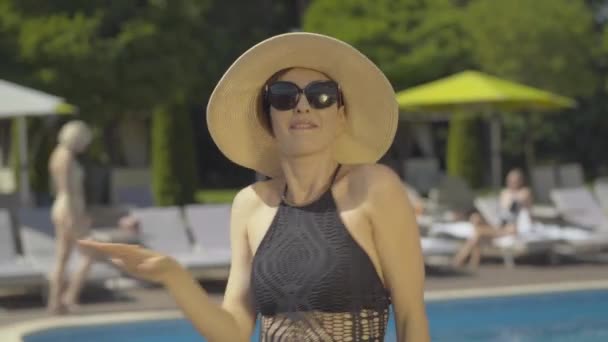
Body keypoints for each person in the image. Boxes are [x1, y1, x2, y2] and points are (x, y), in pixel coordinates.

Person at [80, 33, 429, 341]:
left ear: (340, 114)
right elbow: (233, 329)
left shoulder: (375, 188)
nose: (303, 105)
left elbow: (411, 318)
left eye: (321, 95)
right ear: (269, 118)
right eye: (283, 96)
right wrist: (173, 276)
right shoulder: (250, 205)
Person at [48, 120, 94, 314]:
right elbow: (67, 190)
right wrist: (75, 217)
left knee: (62, 258)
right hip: (69, 208)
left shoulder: (57, 154)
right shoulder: (66, 157)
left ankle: (55, 302)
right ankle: (69, 298)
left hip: (60, 207)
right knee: (90, 254)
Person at [451, 168, 532, 270]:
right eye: (509, 180)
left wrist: (511, 196)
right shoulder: (505, 193)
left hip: (512, 228)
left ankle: (460, 260)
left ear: (520, 181)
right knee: (476, 219)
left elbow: (518, 205)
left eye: (514, 180)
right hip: (499, 225)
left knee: (478, 232)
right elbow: (501, 213)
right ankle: (473, 261)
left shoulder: (524, 192)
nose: (511, 183)